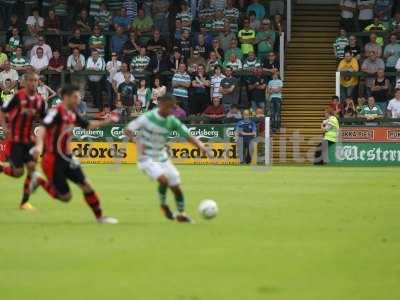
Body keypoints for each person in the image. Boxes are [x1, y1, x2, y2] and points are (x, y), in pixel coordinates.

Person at [31, 84, 119, 224]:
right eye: (75, 97)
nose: (78, 99)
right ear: (66, 97)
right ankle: (39, 180)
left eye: (78, 96)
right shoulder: (56, 112)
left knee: (87, 185)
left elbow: (88, 125)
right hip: (53, 160)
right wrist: (39, 146)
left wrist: (107, 121)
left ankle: (100, 217)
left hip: (68, 157)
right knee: (66, 197)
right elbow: (42, 128)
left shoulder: (72, 113)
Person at [125, 94, 210, 223]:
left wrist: (201, 146)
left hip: (161, 156)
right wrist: (136, 142)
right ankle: (164, 205)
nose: (172, 111)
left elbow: (188, 136)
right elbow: (127, 130)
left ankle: (181, 214)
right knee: (163, 180)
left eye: (173, 108)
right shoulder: (148, 117)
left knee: (176, 187)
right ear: (162, 105)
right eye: (170, 108)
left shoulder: (172, 121)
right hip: (146, 157)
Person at [0, 72, 47, 211]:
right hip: (15, 139)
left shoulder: (40, 101)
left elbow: (45, 120)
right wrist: (4, 127)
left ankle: (24, 202)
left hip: (28, 139)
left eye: (36, 81)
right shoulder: (17, 97)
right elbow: (2, 112)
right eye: (31, 80)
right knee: (18, 172)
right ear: (25, 82)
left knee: (32, 167)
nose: (34, 83)